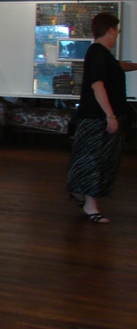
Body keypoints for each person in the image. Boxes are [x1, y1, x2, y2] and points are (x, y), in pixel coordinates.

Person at [67, 12, 137, 223]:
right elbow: (97, 85)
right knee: (94, 161)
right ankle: (90, 205)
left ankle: (80, 194)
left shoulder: (102, 54)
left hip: (99, 118)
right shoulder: (97, 53)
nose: (117, 34)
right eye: (116, 30)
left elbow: (118, 66)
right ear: (110, 30)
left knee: (98, 160)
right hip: (97, 119)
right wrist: (110, 115)